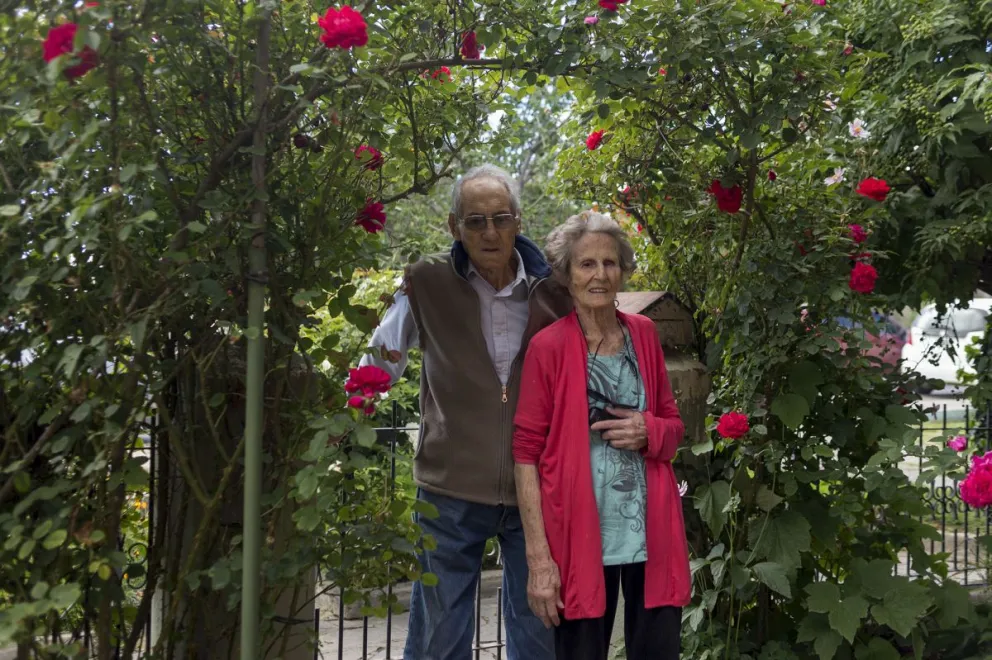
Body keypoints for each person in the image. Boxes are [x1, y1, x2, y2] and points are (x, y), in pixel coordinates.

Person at [360, 164, 571, 660]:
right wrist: (346, 415)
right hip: (449, 487)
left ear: (519, 221)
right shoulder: (427, 282)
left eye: (500, 218)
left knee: (540, 633)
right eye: (475, 221)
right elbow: (380, 360)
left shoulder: (554, 290)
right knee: (439, 638)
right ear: (454, 228)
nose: (490, 232)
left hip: (535, 488)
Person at [512, 210, 690, 660]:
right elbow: (526, 453)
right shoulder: (547, 348)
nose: (600, 274)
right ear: (567, 274)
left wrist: (647, 430)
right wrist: (538, 559)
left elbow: (672, 425)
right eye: (587, 264)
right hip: (578, 534)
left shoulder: (644, 335)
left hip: (651, 530)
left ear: (623, 270)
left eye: (610, 263)